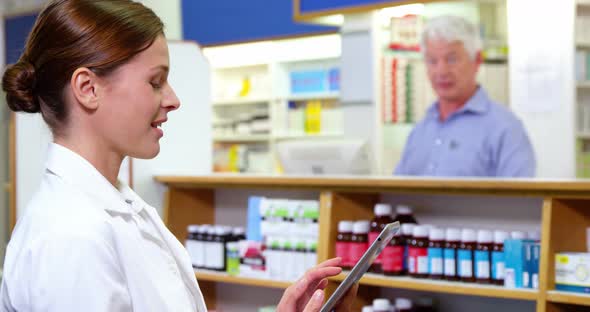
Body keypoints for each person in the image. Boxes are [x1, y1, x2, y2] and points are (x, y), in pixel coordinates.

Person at [0, 1, 357, 311]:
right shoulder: (71, 237)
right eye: (155, 82)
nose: (172, 99)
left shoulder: (121, 211)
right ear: (88, 88)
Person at [394, 15, 536, 177]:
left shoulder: (505, 129)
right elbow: (394, 196)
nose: (441, 71)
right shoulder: (420, 130)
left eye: (452, 59)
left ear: (477, 61)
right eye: (432, 61)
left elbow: (520, 200)